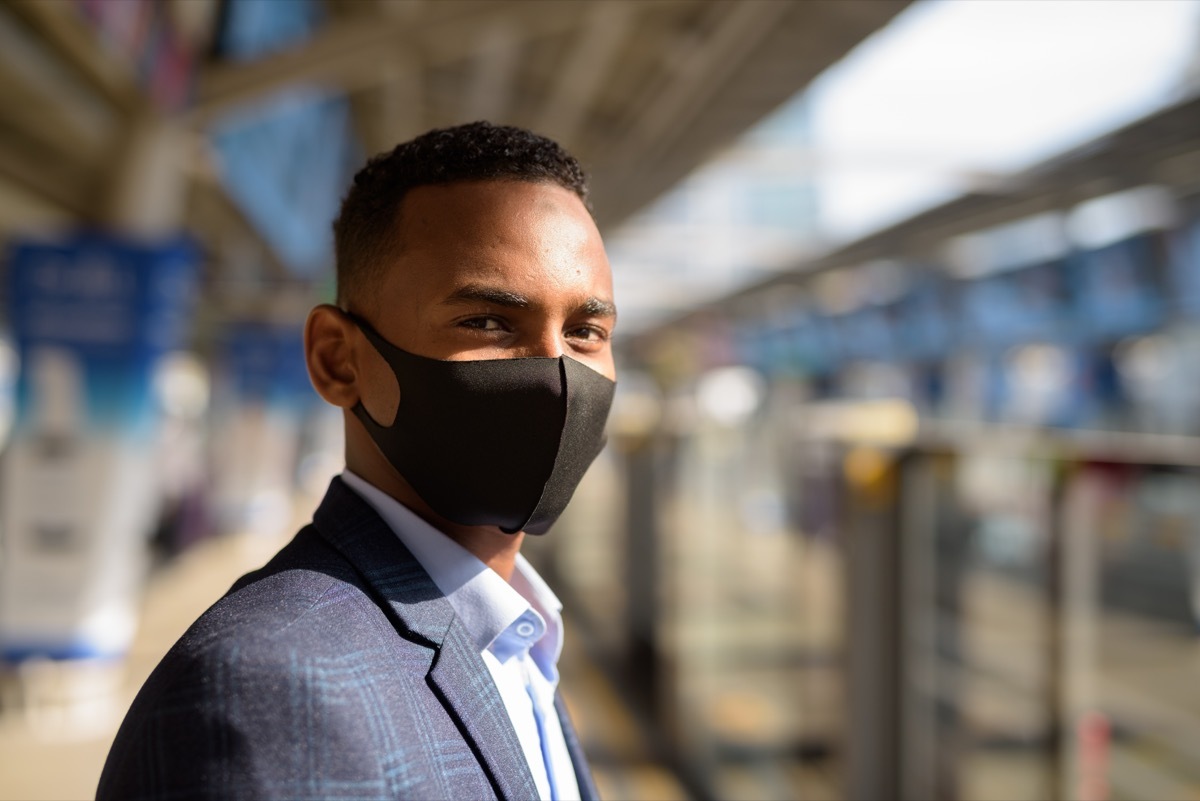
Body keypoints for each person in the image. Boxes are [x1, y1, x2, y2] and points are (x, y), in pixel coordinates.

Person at [97, 122, 618, 801]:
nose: (557, 373)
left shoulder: (523, 642)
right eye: (488, 322)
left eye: (585, 331)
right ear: (338, 359)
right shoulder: (263, 691)